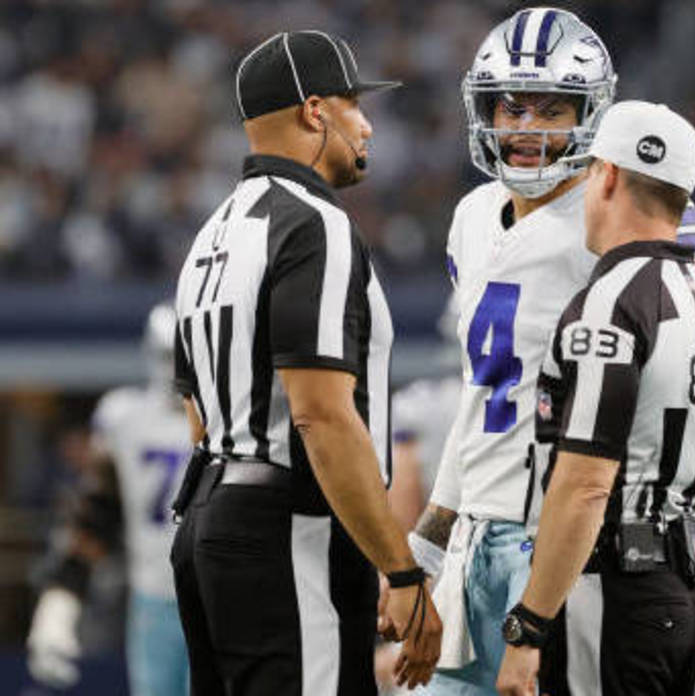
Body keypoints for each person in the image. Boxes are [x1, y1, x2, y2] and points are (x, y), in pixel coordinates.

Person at [407, 9, 695, 694]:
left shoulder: (617, 213)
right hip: (474, 540)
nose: (526, 128)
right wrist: (428, 541)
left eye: (552, 110)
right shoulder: (471, 218)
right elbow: (481, 394)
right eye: (511, 106)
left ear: (592, 115)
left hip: (565, 542)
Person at [169, 31, 440, 695]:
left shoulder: (211, 234)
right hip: (287, 528)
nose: (367, 126)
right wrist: (400, 570)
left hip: (209, 520)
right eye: (354, 105)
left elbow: (197, 417)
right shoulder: (312, 222)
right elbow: (321, 416)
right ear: (315, 111)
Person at [494, 100, 695, 696]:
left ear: (606, 175)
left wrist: (529, 625)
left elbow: (585, 485)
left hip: (608, 589)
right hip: (680, 587)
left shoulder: (610, 301)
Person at [27, 304, 192, 696]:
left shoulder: (236, 417)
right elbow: (95, 512)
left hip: (226, 599)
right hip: (152, 599)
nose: (176, 370)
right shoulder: (124, 419)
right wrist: (60, 599)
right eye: (169, 356)